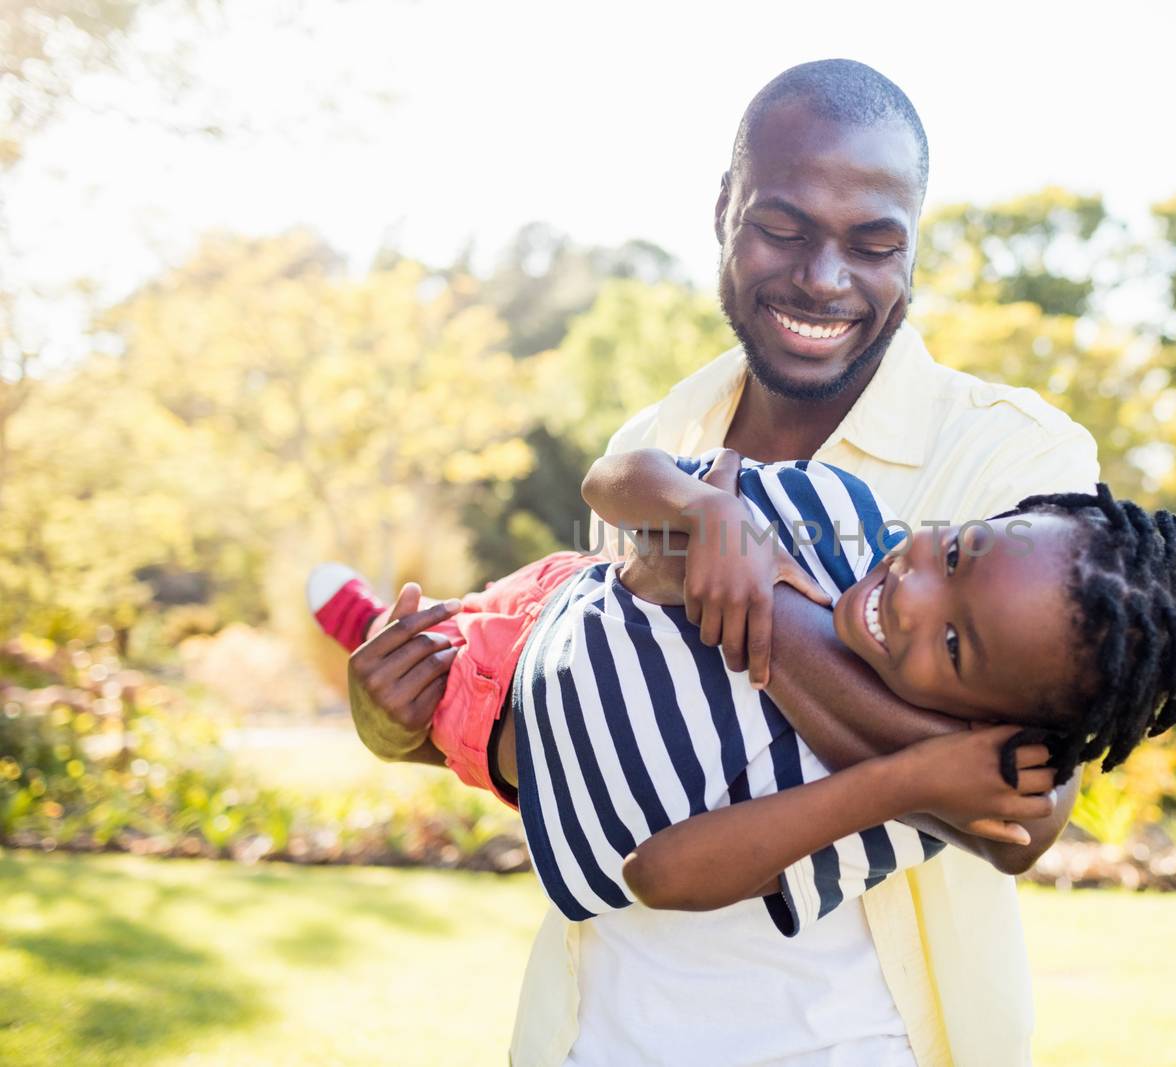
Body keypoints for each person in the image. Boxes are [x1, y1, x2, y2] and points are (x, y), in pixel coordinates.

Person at [348, 59, 1121, 1066]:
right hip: (600, 1030)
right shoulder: (658, 433)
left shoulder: (1017, 456)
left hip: (867, 1041)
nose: (824, 277)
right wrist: (404, 729)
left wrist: (731, 579)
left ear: (913, 247)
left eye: (872, 243)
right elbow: (606, 738)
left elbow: (1022, 804)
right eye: (784, 228)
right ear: (725, 207)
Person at [312, 448, 1176, 942]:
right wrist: (712, 514)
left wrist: (903, 783)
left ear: (995, 716)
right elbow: (615, 483)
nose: (917, 594)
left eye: (958, 644)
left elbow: (655, 874)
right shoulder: (823, 511)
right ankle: (371, 616)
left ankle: (367, 622)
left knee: (424, 663)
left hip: (498, 715)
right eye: (958, 550)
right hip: (553, 600)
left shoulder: (910, 807)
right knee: (443, 624)